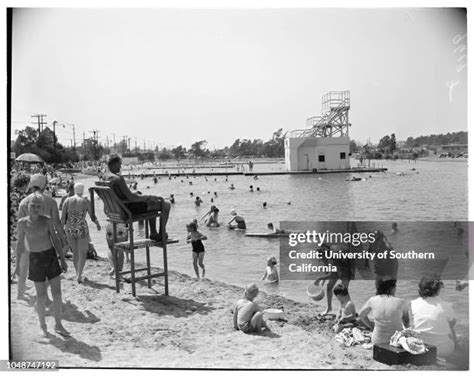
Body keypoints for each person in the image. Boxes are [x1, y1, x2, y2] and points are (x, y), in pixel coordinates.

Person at [16, 193, 69, 337]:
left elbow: (56, 240)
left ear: (42, 208)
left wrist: (62, 260)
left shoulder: (47, 220)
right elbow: (20, 243)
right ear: (27, 207)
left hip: (50, 257)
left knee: (57, 293)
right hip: (35, 259)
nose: (35, 208)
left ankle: (58, 324)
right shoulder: (22, 222)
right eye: (33, 205)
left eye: (38, 206)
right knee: (41, 295)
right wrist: (17, 267)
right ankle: (43, 325)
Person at [17, 174, 68, 299]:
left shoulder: (24, 202)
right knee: (47, 271)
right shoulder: (50, 201)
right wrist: (64, 239)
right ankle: (42, 295)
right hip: (45, 242)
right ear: (44, 185)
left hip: (27, 241)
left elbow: (21, 225)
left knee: (24, 268)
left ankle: (20, 293)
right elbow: (56, 224)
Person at [105, 155, 170, 242]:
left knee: (150, 203)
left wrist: (136, 194)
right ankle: (161, 233)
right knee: (166, 204)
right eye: (119, 164)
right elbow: (131, 198)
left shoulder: (105, 177)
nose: (120, 167)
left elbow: (122, 195)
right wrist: (149, 197)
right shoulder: (117, 178)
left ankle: (154, 233)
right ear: (114, 164)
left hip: (116, 211)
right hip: (128, 210)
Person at [61, 183, 101, 283]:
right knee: (82, 253)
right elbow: (92, 216)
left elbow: (62, 218)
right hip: (81, 228)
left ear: (74, 189)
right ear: (83, 190)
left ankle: (76, 273)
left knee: (75, 252)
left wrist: (61, 230)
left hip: (70, 228)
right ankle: (79, 275)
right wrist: (97, 224)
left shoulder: (67, 200)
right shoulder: (85, 200)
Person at [410, 278, 457, 357]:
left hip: (419, 347)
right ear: (438, 290)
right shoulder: (445, 305)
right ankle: (455, 350)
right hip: (442, 350)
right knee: (450, 327)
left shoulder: (413, 303)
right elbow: (453, 323)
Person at [358, 279, 410, 345]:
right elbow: (406, 322)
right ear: (392, 288)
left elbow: (361, 315)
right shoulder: (401, 302)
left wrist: (371, 325)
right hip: (397, 341)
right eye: (395, 288)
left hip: (377, 342)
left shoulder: (372, 300)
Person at [313, 243, 355, 315]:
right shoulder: (325, 253)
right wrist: (323, 281)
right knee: (329, 286)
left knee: (343, 290)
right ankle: (329, 308)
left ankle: (348, 310)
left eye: (322, 258)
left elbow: (331, 274)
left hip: (348, 266)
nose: (322, 260)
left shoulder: (333, 255)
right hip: (340, 263)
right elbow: (328, 269)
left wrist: (319, 279)